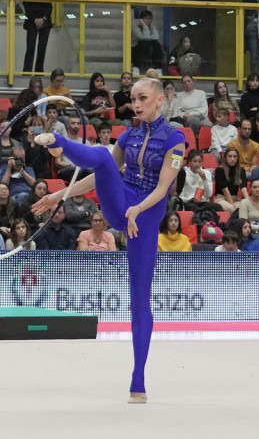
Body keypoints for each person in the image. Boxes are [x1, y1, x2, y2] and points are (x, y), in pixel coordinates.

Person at [34, 75, 186, 403]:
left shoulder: (175, 139)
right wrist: (59, 195)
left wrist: (138, 210)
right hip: (122, 203)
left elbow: (163, 188)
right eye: (133, 99)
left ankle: (138, 378)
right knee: (103, 158)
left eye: (143, 98)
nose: (136, 104)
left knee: (140, 297)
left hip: (145, 215)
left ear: (160, 100)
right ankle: (59, 143)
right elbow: (98, 175)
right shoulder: (129, 135)